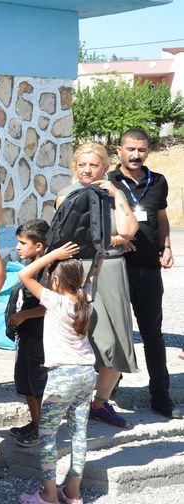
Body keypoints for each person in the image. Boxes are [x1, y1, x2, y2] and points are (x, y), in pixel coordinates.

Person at [55, 143, 138, 428]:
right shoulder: (66, 195)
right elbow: (72, 237)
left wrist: (117, 196)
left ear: (105, 167)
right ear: (75, 167)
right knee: (76, 335)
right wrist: (112, 240)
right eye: (82, 165)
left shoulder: (115, 194)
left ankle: (100, 402)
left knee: (116, 337)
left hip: (112, 270)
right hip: (78, 267)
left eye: (94, 165)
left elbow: (128, 230)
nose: (88, 170)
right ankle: (71, 402)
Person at [17, 243, 97, 504]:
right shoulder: (85, 298)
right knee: (79, 433)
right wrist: (99, 254)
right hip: (87, 373)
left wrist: (53, 255)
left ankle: (49, 495)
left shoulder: (55, 301)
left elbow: (24, 275)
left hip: (62, 376)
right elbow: (95, 274)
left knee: (48, 435)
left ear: (55, 280)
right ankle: (73, 493)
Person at [109, 128, 181, 419]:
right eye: (130, 149)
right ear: (119, 151)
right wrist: (116, 238)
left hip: (149, 269)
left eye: (141, 149)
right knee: (113, 333)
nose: (136, 154)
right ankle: (108, 389)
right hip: (115, 268)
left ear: (147, 150)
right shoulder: (108, 181)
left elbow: (161, 217)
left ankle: (160, 396)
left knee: (152, 334)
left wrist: (166, 245)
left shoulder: (159, 182)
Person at [8, 219, 51, 448]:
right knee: (26, 383)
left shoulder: (47, 271)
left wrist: (24, 316)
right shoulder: (33, 266)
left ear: (39, 246)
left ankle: (42, 429)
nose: (18, 247)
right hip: (26, 336)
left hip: (40, 337)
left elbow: (50, 305)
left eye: (23, 243)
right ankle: (35, 423)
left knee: (38, 385)